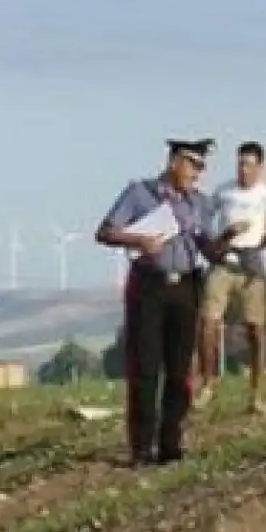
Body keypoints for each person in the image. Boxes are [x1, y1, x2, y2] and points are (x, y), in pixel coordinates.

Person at [94, 139, 233, 466]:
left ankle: (171, 442)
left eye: (201, 167)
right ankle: (141, 447)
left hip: (186, 286)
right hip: (149, 286)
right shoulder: (140, 194)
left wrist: (226, 240)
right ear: (174, 162)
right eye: (192, 164)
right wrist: (138, 240)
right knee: (145, 367)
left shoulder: (198, 203)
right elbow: (104, 231)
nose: (196, 173)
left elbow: (206, 249)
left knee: (179, 369)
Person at [196, 141, 266, 414]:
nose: (243, 169)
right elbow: (205, 222)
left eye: (248, 164)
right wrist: (219, 242)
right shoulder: (223, 192)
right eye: (240, 163)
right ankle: (208, 384)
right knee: (208, 322)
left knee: (255, 328)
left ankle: (256, 392)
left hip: (250, 262)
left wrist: (257, 244)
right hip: (224, 260)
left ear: (259, 167)